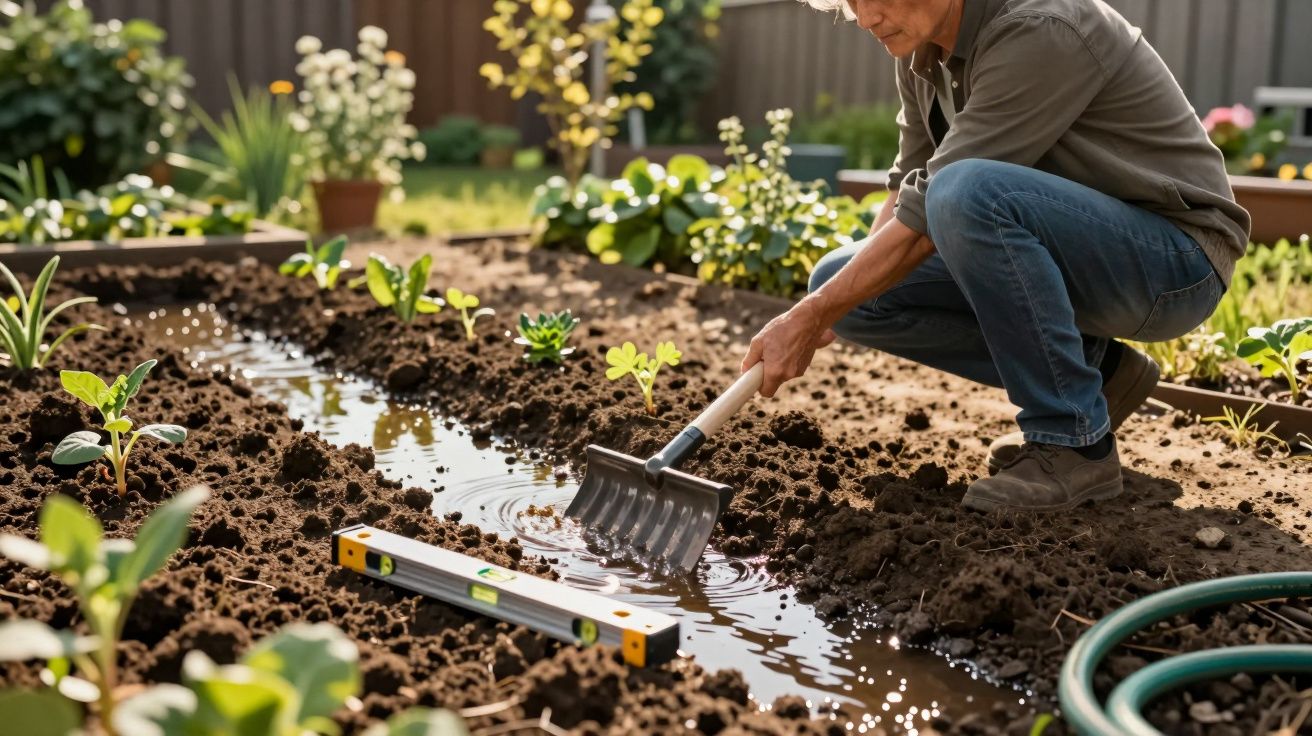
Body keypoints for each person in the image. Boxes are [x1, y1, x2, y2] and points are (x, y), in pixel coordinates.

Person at [741, 0, 1250, 512]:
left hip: (1173, 263)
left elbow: (939, 206)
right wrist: (837, 298)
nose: (866, 18)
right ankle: (1101, 374)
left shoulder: (1041, 27)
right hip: (1085, 254)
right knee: (846, 282)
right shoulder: (922, 53)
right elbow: (907, 190)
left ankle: (1073, 445)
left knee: (967, 190)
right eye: (852, 3)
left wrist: (814, 314)